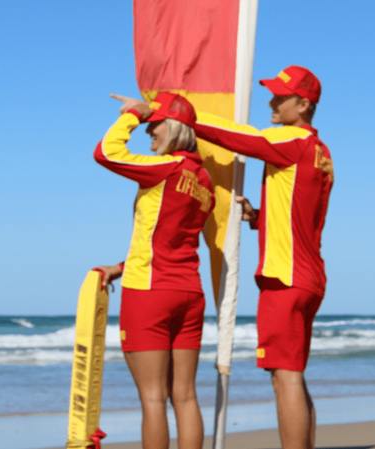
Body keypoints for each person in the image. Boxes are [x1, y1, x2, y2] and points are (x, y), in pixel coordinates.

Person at [128, 66, 333, 449]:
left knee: (284, 376)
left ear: (303, 105)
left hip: (284, 278)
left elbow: (239, 138)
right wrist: (258, 218)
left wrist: (176, 113)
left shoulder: (293, 141)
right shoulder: (322, 153)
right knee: (295, 374)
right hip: (310, 275)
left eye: (280, 97)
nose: (271, 102)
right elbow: (306, 213)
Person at [95, 92, 215, 449]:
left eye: (154, 126)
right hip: (189, 293)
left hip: (149, 293)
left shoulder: (167, 168)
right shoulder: (204, 181)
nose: (149, 135)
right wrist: (121, 267)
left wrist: (132, 115)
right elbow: (170, 236)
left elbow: (105, 153)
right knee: (186, 397)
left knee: (152, 398)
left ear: (175, 128)